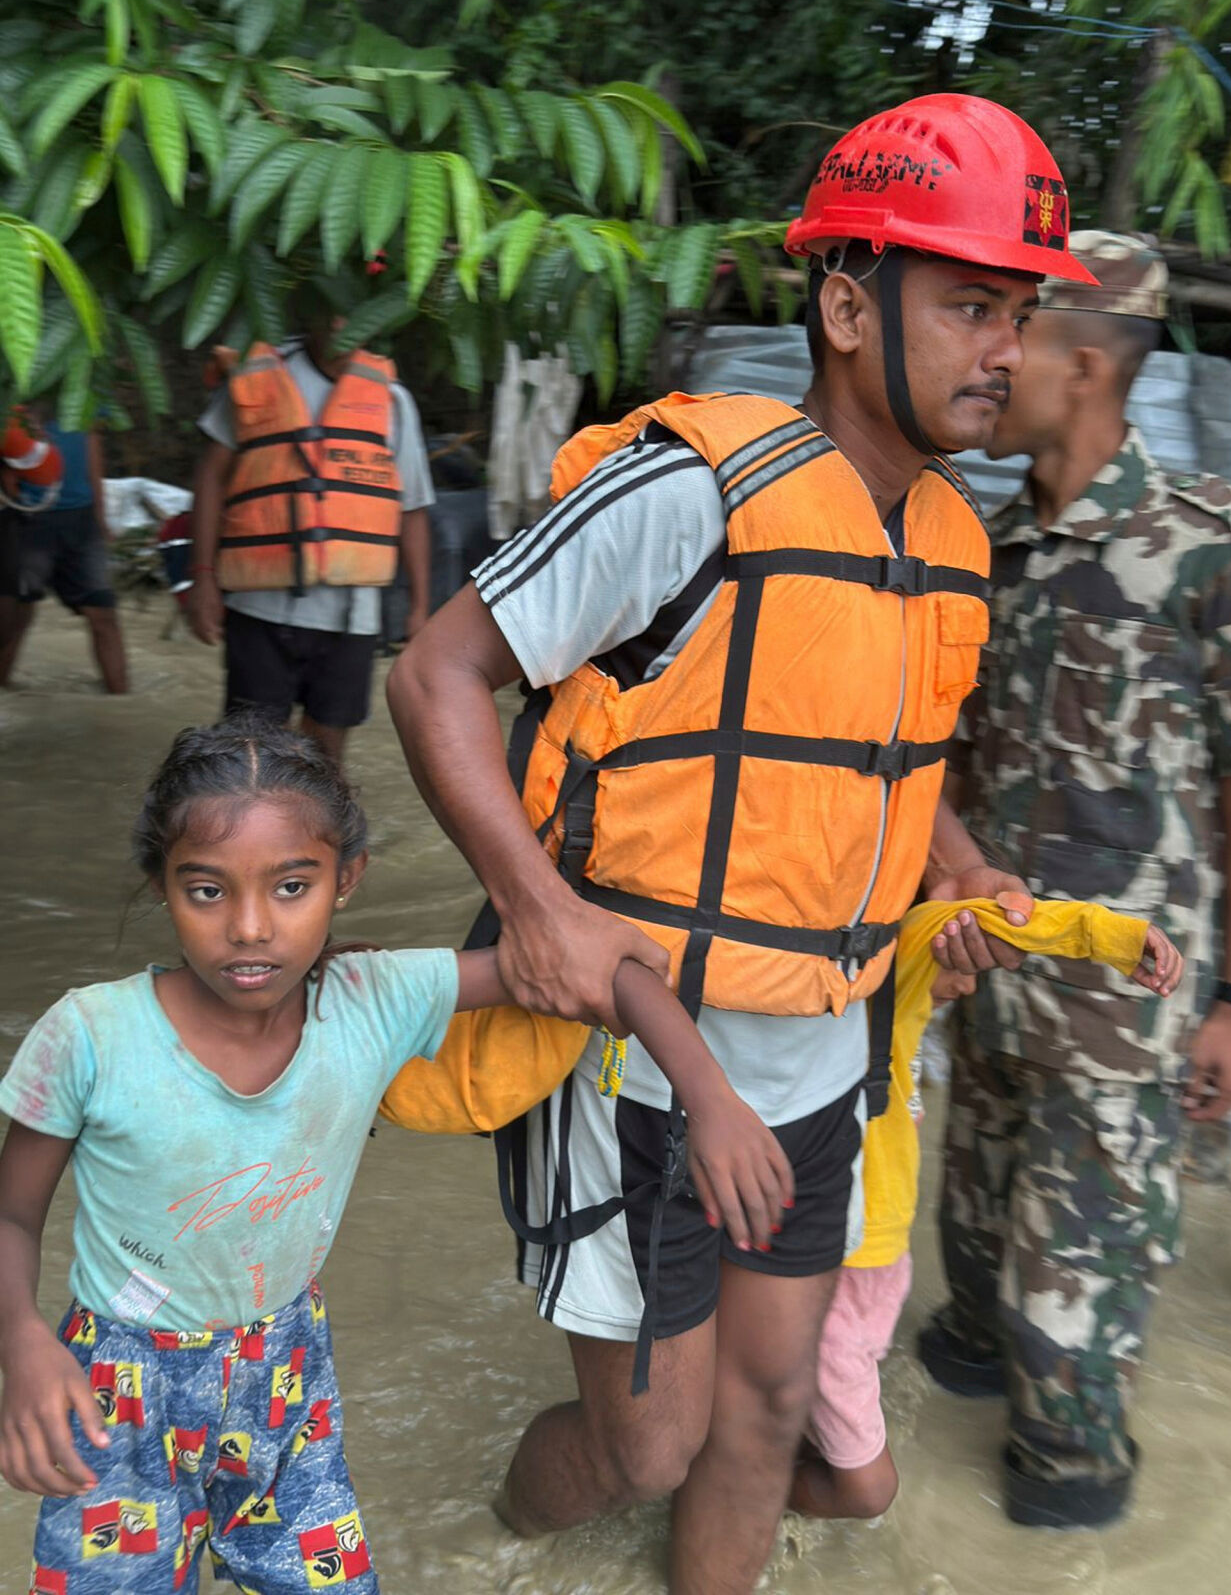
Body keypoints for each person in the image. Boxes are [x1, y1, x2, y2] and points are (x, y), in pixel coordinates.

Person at [386, 93, 1096, 1595]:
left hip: (812, 1059)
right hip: (628, 1050)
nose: (1003, 350)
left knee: (765, 1415)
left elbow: (866, 765)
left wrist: (955, 868)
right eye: (968, 304)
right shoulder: (689, 488)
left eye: (1018, 313)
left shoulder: (952, 544)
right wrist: (534, 905)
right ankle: (477, 1548)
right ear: (846, 306)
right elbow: (432, 672)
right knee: (646, 1444)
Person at [0, 712, 787, 1591]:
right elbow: (11, 1214)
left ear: (348, 881)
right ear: (161, 887)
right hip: (116, 1389)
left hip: (285, 1377)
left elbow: (604, 973)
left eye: (291, 887)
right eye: (207, 890)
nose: (251, 927)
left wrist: (710, 1097)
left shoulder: (374, 998)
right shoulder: (90, 1036)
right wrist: (22, 1343)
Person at [921, 231, 1231, 1529]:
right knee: (964, 1307)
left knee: (1060, 1399)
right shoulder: (982, 546)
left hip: (1123, 1023)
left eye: (1019, 337)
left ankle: (1069, 1504)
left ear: (1090, 362)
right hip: (991, 999)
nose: (991, 364)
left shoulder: (1202, 547)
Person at [791, 894, 1182, 1522]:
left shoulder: (905, 1006)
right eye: (967, 961)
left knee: (810, 1420)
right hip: (830, 1269)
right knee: (866, 1487)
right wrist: (1116, 938)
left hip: (880, 1263)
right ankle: (743, 1491)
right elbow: (1002, 918)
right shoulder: (890, 958)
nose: (970, 980)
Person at [188, 285, 434, 762]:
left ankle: (321, 838)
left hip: (351, 615)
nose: (341, 326)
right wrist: (202, 578)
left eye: (354, 315)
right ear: (310, 312)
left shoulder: (392, 401)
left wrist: (420, 608)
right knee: (248, 757)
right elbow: (210, 477)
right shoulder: (259, 376)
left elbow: (413, 509)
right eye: (331, 314)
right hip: (260, 606)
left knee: (325, 756)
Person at [0, 413, 128, 694]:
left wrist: (100, 515)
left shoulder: (81, 391)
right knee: (15, 617)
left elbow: (91, 446)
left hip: (81, 520)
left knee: (103, 615)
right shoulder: (16, 389)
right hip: (27, 518)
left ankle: (124, 705)